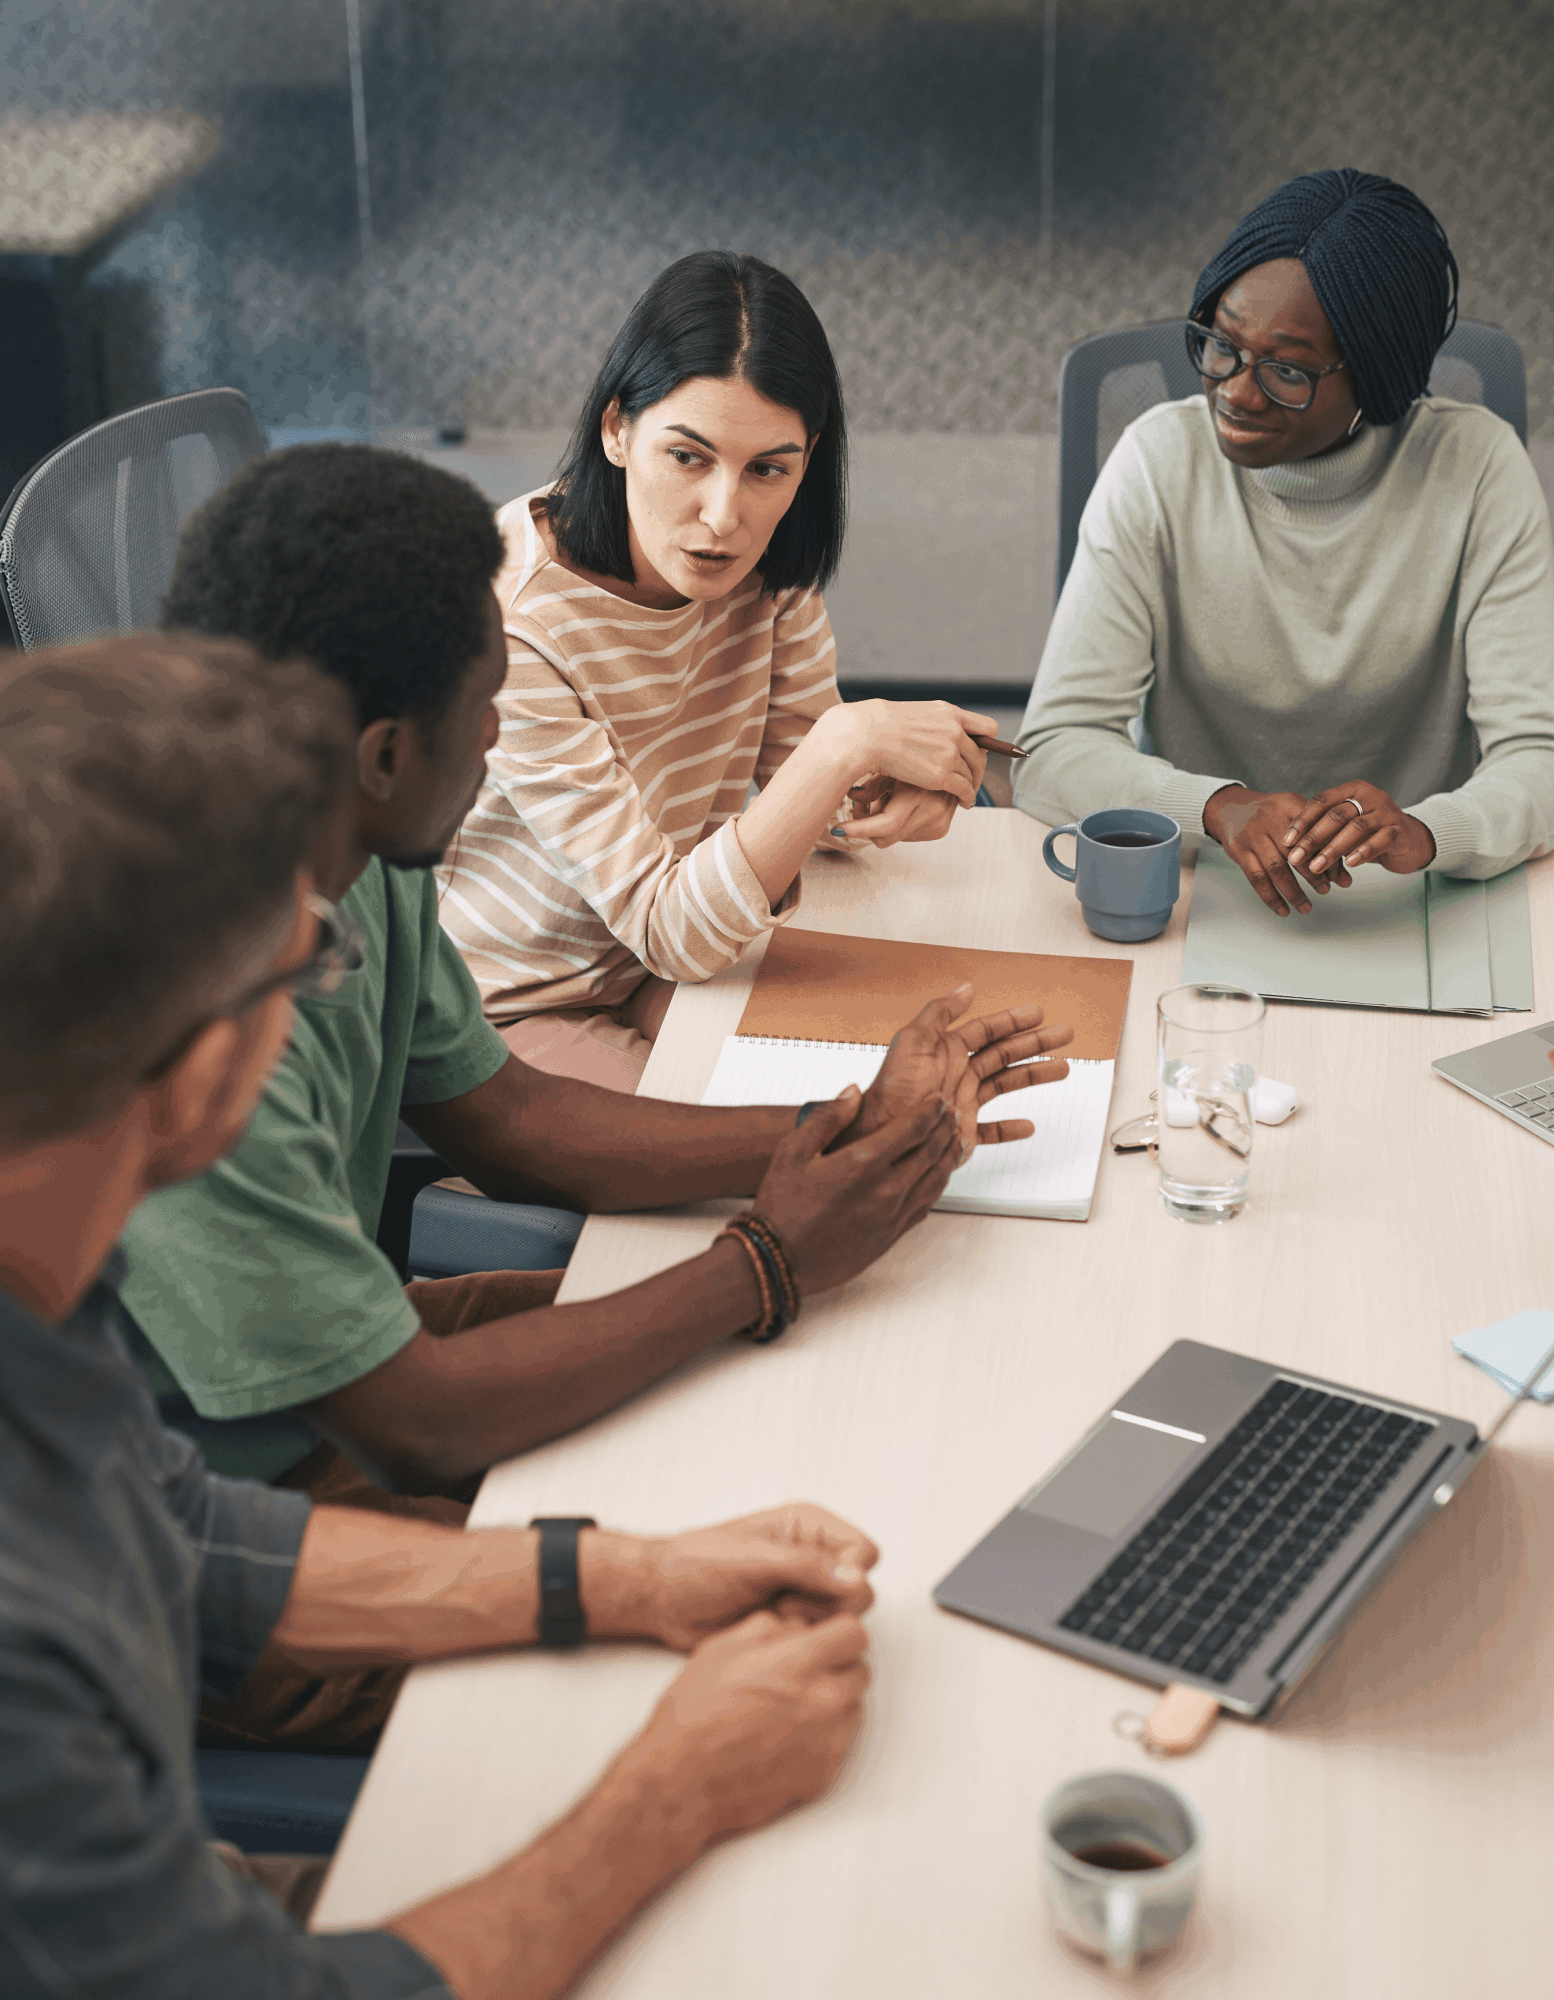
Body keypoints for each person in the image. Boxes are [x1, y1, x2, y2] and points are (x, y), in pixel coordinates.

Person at [121, 439, 1073, 1750]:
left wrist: (840, 1131)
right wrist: (765, 1262)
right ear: (388, 751)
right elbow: (414, 1420)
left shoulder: (360, 842)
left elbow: (510, 1121)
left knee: (812, 1399)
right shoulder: (198, 1022)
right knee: (755, 1639)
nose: (499, 734)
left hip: (318, 1389)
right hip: (198, 1541)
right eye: (488, 704)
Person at [0, 630, 882, 2000]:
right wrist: (675, 1788)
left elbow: (183, 1535)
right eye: (304, 960)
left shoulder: (49, 1288)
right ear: (208, 1063)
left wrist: (626, 1578)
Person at [435, 248, 1001, 1091]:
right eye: (688, 457)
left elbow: (813, 809)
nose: (725, 517)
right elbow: (672, 925)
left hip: (663, 961)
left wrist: (890, 788)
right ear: (617, 429)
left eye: (768, 469)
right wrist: (847, 744)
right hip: (509, 1005)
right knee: (788, 1135)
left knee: (906, 1063)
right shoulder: (512, 618)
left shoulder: (768, 578)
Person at [1015, 168, 1554, 918]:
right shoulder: (1158, 461)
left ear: (1377, 374)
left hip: (1416, 904)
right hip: (1199, 894)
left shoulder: (1479, 471)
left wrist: (1427, 832)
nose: (1236, 392)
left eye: (1288, 370)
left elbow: (1539, 760)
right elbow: (1053, 751)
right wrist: (1218, 807)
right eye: (1222, 345)